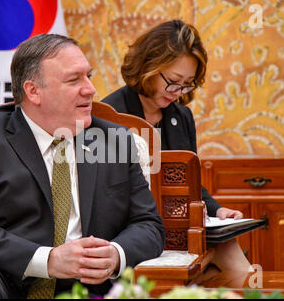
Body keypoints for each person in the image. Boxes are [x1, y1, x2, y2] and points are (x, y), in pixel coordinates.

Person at [0, 34, 165, 299]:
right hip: (6, 281)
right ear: (33, 91)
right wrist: (47, 260)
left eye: (89, 76)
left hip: (89, 290)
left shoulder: (114, 142)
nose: (90, 89)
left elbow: (148, 224)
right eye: (74, 80)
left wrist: (115, 254)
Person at [102, 20, 251, 278]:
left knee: (235, 263)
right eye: (173, 81)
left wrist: (218, 210)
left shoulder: (181, 117)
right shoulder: (111, 116)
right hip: (131, 232)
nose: (178, 92)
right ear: (148, 67)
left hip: (182, 229)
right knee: (208, 273)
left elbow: (190, 184)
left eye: (188, 84)